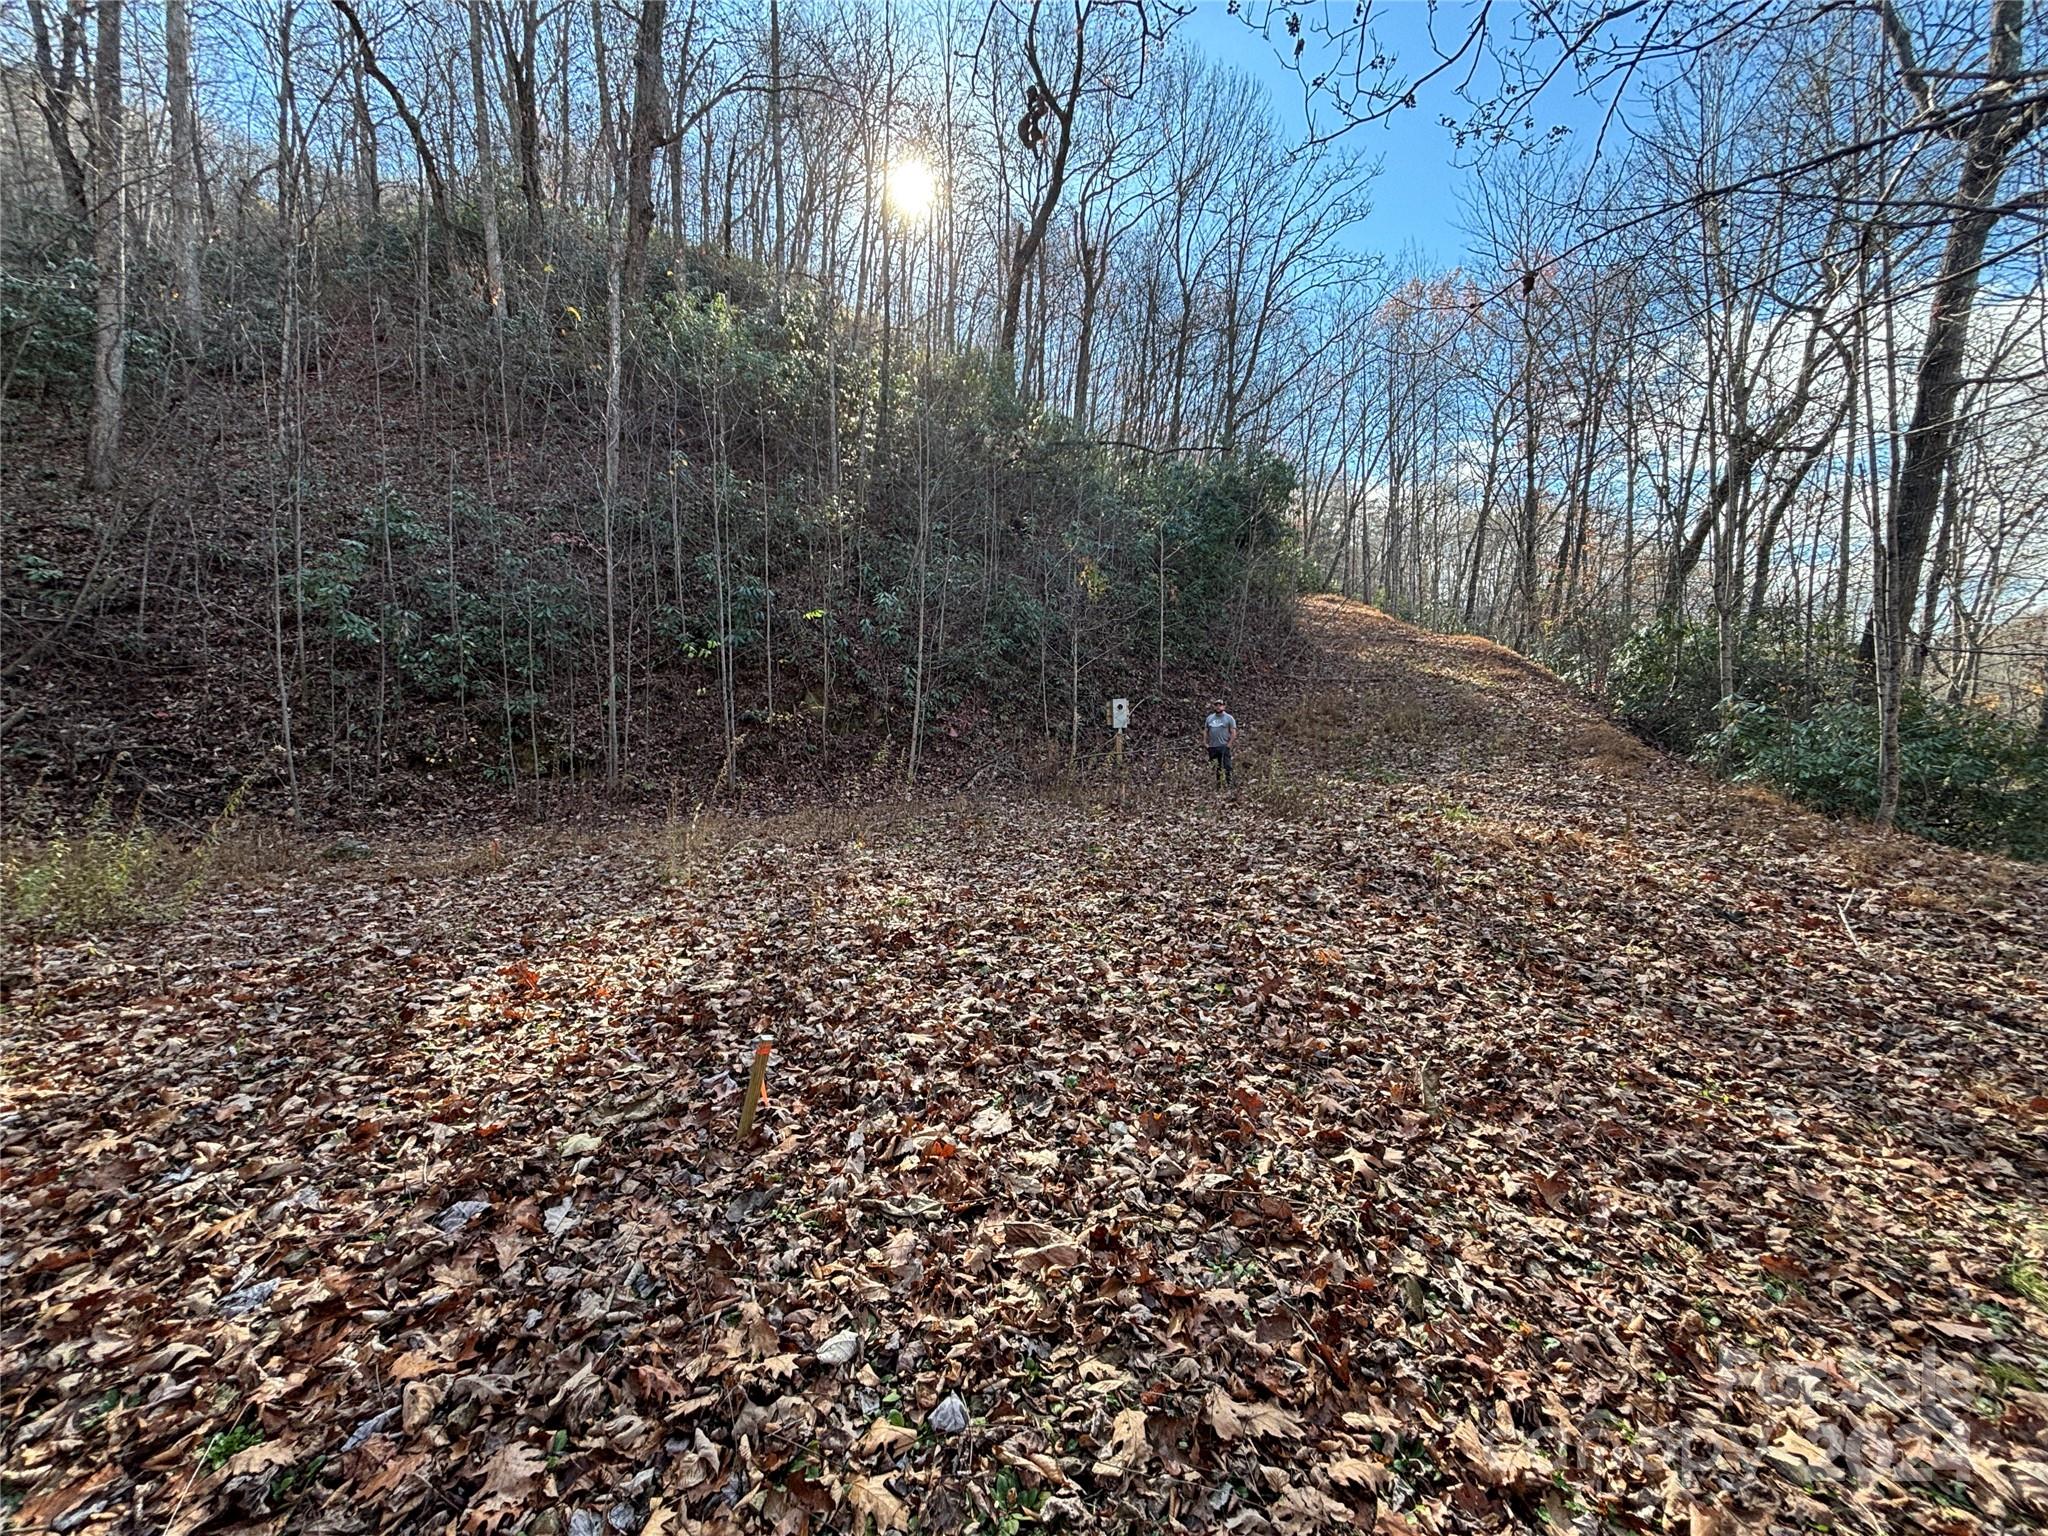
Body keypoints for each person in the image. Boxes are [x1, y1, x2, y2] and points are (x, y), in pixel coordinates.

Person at [1202, 699, 1237, 789]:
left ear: (1224, 706)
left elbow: (1233, 732)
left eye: (1220, 705)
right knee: (1217, 767)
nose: (1218, 707)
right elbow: (1206, 731)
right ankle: (1219, 786)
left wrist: (1229, 744)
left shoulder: (1229, 718)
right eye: (1216, 705)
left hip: (1224, 746)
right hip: (1213, 747)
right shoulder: (1210, 718)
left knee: (1227, 766)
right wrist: (1205, 743)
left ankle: (1230, 785)